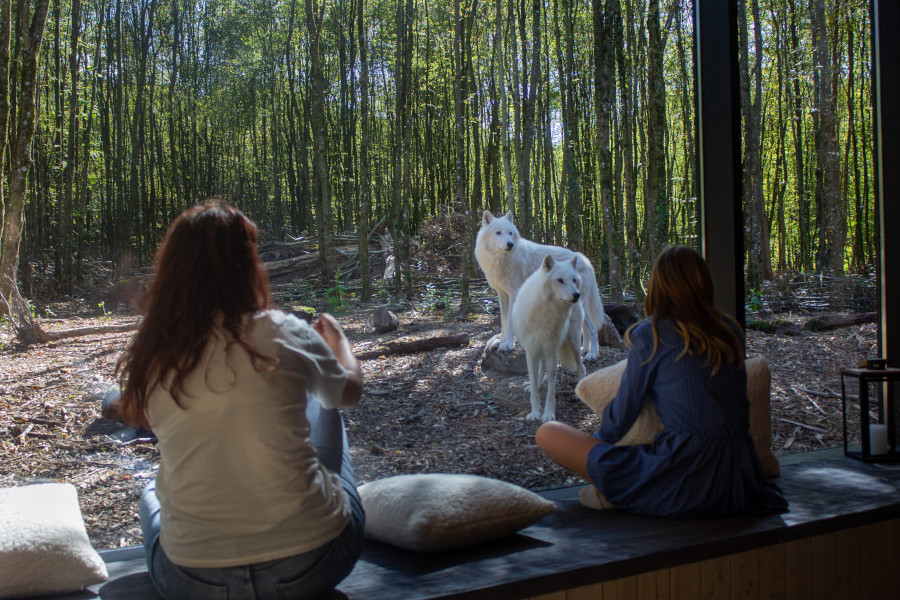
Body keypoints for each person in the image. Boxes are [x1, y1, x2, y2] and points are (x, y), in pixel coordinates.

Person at [113, 201, 365, 599]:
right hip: (314, 561)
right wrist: (339, 341)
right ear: (247, 264)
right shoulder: (283, 332)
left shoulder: (154, 351)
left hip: (193, 581)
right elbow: (350, 392)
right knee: (327, 403)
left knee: (150, 496)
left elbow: (136, 412)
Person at [536, 245, 788, 518]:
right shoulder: (729, 331)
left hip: (685, 472)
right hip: (741, 473)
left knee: (548, 433)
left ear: (658, 285)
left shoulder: (651, 334)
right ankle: (621, 488)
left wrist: (597, 453)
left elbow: (621, 416)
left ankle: (623, 490)